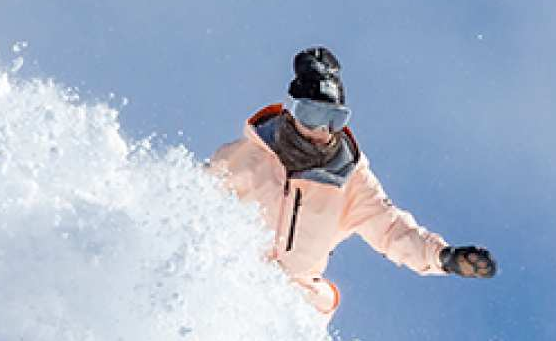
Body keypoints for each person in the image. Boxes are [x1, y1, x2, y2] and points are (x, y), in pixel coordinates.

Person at [210, 47, 496, 317]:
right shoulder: (250, 156)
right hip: (235, 281)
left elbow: (391, 227)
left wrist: (443, 257)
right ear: (292, 110)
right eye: (312, 115)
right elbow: (195, 202)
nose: (323, 129)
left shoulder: (348, 178)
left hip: (295, 301)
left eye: (335, 118)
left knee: (317, 298)